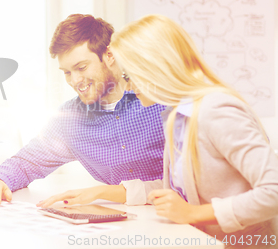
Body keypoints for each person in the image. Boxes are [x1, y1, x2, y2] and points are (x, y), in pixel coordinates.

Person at [39, 14, 278, 246]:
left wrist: (192, 214)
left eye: (129, 75)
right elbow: (177, 190)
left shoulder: (215, 110)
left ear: (155, 69)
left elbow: (274, 191)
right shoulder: (179, 115)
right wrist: (104, 192)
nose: (128, 85)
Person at [0, 14, 166, 205]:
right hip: (122, 219)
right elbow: (29, 161)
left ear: (109, 55)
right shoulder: (71, 118)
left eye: (81, 67)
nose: (74, 81)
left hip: (175, 217)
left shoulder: (160, 98)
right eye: (67, 72)